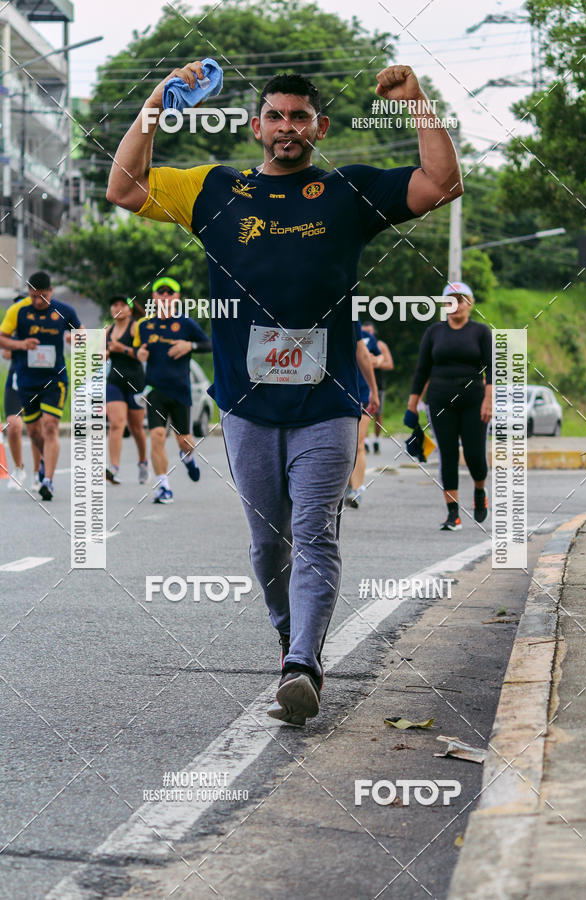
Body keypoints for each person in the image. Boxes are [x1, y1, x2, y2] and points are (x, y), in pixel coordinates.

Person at [107, 62, 463, 724]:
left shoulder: (346, 192)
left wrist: (416, 102)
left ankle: (303, 664)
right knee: (268, 542)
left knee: (313, 531)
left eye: (300, 117)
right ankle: (289, 636)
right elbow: (124, 188)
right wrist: (157, 102)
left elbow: (441, 183)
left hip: (328, 406)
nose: (287, 127)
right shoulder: (214, 191)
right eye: (276, 115)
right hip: (246, 409)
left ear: (319, 127)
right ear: (256, 127)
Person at [407, 281, 492, 531]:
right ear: (445, 305)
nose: (455, 305)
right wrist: (412, 406)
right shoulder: (434, 332)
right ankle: (453, 514)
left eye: (461, 299)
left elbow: (492, 369)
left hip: (473, 400)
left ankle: (479, 490)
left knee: (475, 454)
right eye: (450, 301)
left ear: (470, 303)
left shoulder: (481, 332)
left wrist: (489, 400)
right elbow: (422, 370)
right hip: (440, 399)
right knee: (448, 455)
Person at [0, 272, 82, 501]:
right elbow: (2, 338)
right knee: (35, 431)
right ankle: (44, 462)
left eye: (42, 297)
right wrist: (21, 344)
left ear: (51, 291)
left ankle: (48, 481)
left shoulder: (64, 310)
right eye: (33, 296)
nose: (38, 301)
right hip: (27, 381)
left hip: (55, 380)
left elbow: (82, 334)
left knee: (51, 426)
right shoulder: (18, 311)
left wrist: (74, 339)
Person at [133, 277, 211, 504]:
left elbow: (209, 344)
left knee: (184, 441)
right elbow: (139, 350)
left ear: (177, 297)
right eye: (160, 292)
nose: (165, 296)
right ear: (154, 298)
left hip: (180, 390)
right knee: (156, 436)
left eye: (170, 293)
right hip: (155, 389)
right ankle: (163, 486)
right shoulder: (145, 325)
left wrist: (190, 345)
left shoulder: (186, 324)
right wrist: (140, 355)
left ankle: (188, 459)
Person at [105, 295, 148, 484]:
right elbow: (99, 353)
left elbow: (141, 356)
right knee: (116, 423)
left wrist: (120, 348)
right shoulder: (108, 331)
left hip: (135, 382)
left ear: (130, 309)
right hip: (114, 382)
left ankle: (143, 462)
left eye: (123, 305)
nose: (118, 308)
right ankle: (113, 467)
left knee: (136, 428)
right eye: (114, 304)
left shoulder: (136, 327)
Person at [2, 296, 41, 490]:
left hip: (38, 383)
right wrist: (20, 345)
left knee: (36, 429)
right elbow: (6, 353)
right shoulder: (12, 331)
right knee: (13, 425)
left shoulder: (42, 327)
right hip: (16, 382)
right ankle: (19, 468)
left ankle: (38, 473)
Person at [345, 325, 380, 509]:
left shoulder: (366, 337)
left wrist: (374, 391)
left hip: (362, 393)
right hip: (339, 394)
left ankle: (356, 490)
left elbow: (380, 357)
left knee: (358, 443)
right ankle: (346, 485)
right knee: (344, 445)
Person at [362, 322, 393, 454]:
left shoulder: (380, 345)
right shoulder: (360, 344)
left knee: (377, 413)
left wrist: (373, 363)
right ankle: (364, 440)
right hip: (362, 385)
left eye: (370, 331)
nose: (368, 334)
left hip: (378, 385)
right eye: (365, 331)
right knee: (363, 414)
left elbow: (389, 364)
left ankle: (376, 439)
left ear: (374, 332)